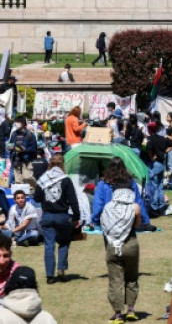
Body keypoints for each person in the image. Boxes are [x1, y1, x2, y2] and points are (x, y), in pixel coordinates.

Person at [100, 178, 142, 324]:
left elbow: (104, 225)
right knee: (131, 278)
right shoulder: (135, 207)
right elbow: (137, 225)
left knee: (115, 280)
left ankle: (117, 314)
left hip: (112, 245)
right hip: (130, 243)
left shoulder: (107, 207)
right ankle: (131, 310)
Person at [34, 155, 80, 284]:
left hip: (47, 215)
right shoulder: (65, 179)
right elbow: (73, 200)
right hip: (62, 216)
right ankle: (61, 270)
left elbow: (37, 198)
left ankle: (49, 275)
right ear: (62, 164)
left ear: (50, 164)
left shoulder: (42, 179)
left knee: (49, 245)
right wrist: (77, 217)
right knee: (64, 243)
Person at [91, 158, 151, 231]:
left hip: (109, 220)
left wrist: (94, 221)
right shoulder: (131, 182)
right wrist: (145, 221)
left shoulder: (102, 184)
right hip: (127, 220)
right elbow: (138, 202)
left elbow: (98, 205)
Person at [142, 122, 169, 217]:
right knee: (160, 185)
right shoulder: (162, 139)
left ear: (149, 130)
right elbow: (171, 145)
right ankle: (161, 205)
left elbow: (145, 148)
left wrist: (151, 157)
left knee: (154, 185)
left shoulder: (147, 139)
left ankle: (154, 207)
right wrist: (163, 153)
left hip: (154, 163)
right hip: (162, 163)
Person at [8, 117, 38, 187]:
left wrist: (24, 150)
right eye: (15, 122)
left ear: (23, 124)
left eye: (18, 123)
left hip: (26, 160)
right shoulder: (14, 134)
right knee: (18, 181)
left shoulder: (30, 135)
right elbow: (10, 144)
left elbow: (34, 149)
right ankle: (21, 194)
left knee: (27, 177)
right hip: (16, 159)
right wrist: (10, 147)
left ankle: (37, 187)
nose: (16, 124)